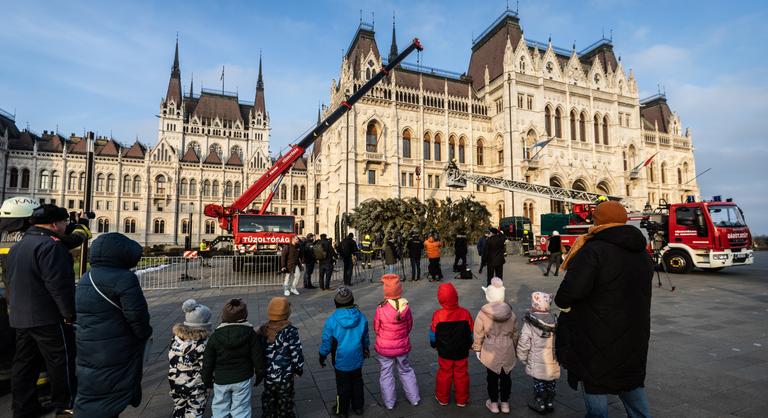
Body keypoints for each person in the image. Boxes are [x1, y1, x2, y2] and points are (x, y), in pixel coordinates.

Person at [555, 201, 654, 418]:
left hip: (596, 335)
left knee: (596, 383)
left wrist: (564, 306)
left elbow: (568, 293)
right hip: (633, 333)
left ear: (597, 221)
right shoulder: (643, 253)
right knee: (630, 381)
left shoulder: (593, 250)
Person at [6, 204, 79, 417]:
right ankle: (65, 406)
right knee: (61, 362)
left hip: (21, 316)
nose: (67, 226)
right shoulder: (52, 246)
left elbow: (9, 280)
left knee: (24, 365)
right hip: (48, 317)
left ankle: (23, 407)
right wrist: (68, 314)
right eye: (65, 222)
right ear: (55, 224)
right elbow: (59, 285)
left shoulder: (18, 246)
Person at [75, 232, 153, 418]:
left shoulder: (87, 277)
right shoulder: (124, 278)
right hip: (115, 345)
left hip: (89, 344)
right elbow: (137, 315)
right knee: (113, 388)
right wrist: (143, 333)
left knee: (94, 387)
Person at [202, 298, 265, 418]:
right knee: (241, 408)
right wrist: (260, 372)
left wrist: (206, 380)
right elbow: (257, 356)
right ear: (244, 315)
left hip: (221, 379)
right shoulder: (250, 334)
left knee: (220, 407)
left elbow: (208, 361)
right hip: (242, 378)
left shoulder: (215, 336)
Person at [319, 287, 370, 418]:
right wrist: (366, 348)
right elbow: (365, 337)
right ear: (352, 300)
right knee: (357, 382)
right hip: (357, 357)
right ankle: (358, 407)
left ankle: (342, 410)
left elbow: (327, 341)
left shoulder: (331, 320)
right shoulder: (361, 317)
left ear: (336, 303)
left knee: (343, 386)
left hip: (340, 360)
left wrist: (322, 354)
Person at [374, 274, 420, 409]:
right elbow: (409, 326)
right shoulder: (406, 307)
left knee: (386, 373)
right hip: (402, 346)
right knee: (406, 370)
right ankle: (414, 399)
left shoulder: (380, 308)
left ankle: (389, 403)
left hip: (385, 347)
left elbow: (376, 328)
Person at [472, 278, 518, 414]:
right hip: (507, 347)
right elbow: (515, 333)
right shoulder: (511, 313)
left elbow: (478, 333)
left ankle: (493, 403)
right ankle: (505, 403)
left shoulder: (483, 313)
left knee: (491, 378)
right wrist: (515, 347)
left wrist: (477, 347)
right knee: (506, 377)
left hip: (491, 350)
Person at [257, 297, 304, 418]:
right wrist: (298, 369)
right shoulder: (290, 331)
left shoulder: (263, 330)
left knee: (269, 399)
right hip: (285, 376)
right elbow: (296, 352)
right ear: (287, 314)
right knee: (285, 400)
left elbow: (258, 352)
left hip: (268, 376)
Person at [430, 283, 473, 407]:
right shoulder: (465, 313)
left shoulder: (438, 315)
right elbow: (470, 332)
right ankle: (462, 399)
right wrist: (470, 344)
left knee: (444, 373)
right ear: (456, 297)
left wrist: (434, 344)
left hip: (445, 351)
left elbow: (433, 334)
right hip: (462, 350)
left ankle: (443, 398)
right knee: (462, 374)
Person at [516, 292, 560, 414]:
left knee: (539, 383)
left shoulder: (530, 323)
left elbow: (524, 341)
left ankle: (540, 403)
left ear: (534, 305)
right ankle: (550, 402)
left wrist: (522, 357)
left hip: (536, 360)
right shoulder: (555, 321)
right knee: (551, 382)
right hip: (552, 360)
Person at [168, 299, 213, 418]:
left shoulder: (176, 339)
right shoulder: (202, 344)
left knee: (179, 406)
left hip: (174, 381)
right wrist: (210, 383)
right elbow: (206, 366)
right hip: (194, 386)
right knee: (194, 411)